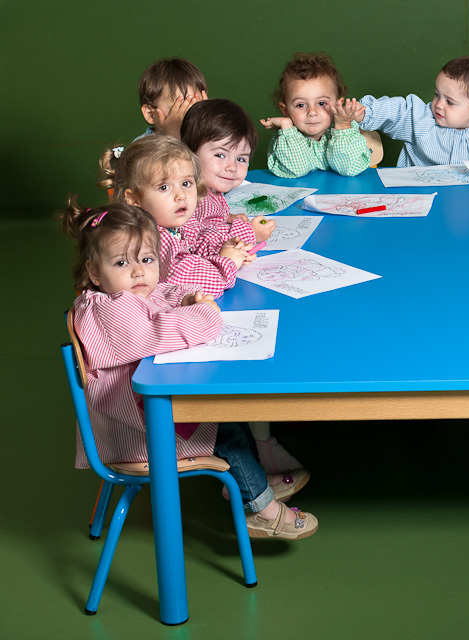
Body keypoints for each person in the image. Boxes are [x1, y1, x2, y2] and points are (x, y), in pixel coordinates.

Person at [61, 200, 316, 539]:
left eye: (147, 260)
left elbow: (160, 292)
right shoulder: (111, 311)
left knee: (228, 416)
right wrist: (205, 313)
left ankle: (247, 483)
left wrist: (184, 298)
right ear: (94, 271)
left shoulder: (117, 294)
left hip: (142, 409)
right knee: (225, 430)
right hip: (139, 431)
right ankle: (261, 510)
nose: (138, 272)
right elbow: (163, 330)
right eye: (122, 262)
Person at [99, 136, 254, 298]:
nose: (181, 195)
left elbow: (201, 236)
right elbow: (199, 285)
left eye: (186, 184)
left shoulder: (173, 222)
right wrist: (226, 263)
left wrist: (227, 246)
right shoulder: (152, 239)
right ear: (135, 199)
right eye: (164, 187)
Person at [357, 56, 469, 166]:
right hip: (419, 198)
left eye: (450, 102)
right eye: (436, 95)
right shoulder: (421, 119)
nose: (438, 105)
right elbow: (396, 111)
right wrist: (364, 111)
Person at [181, 99, 276, 252]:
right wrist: (250, 234)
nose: (232, 167)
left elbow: (207, 221)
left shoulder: (210, 189)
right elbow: (198, 246)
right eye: (220, 155)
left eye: (241, 159)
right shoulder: (188, 197)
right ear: (190, 152)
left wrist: (227, 218)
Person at [261, 52, 373, 178]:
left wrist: (343, 126)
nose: (312, 112)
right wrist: (286, 126)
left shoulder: (346, 129)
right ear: (286, 111)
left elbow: (348, 169)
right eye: (301, 105)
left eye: (321, 103)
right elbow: (297, 169)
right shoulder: (287, 138)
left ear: (337, 104)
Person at [135, 57, 208, 141]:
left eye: (196, 106)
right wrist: (173, 136)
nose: (190, 117)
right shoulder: (142, 147)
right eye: (179, 108)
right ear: (150, 114)